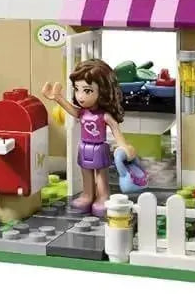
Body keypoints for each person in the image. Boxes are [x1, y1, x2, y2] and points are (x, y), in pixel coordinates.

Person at [42, 59, 135, 217]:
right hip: (84, 147)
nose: (80, 96)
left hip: (99, 147)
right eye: (77, 89)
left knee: (101, 174)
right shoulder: (83, 113)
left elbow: (115, 129)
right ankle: (87, 195)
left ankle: (103, 196)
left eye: (87, 91)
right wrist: (57, 98)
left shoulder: (104, 115)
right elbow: (72, 110)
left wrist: (123, 146)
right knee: (85, 172)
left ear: (103, 91)